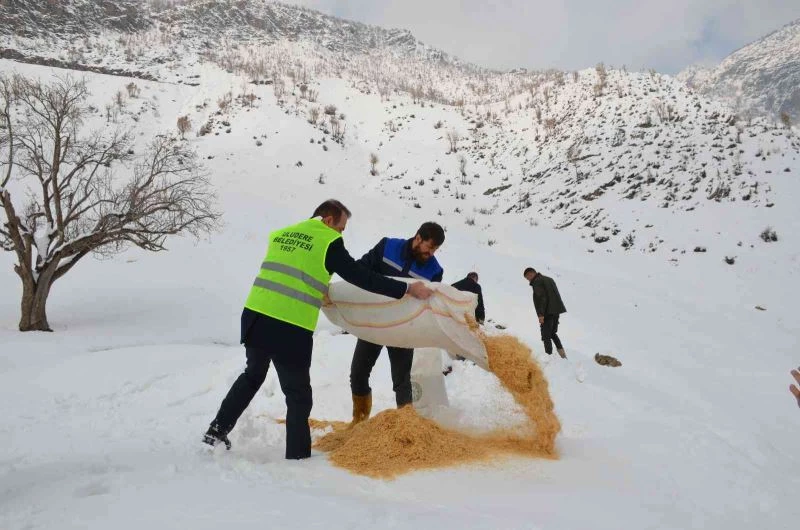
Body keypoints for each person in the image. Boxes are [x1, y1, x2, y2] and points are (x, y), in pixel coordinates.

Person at [202, 200, 434, 459]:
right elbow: (360, 276)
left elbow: (294, 270)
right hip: (290, 325)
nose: (341, 233)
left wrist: (320, 287)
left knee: (252, 377)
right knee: (298, 394)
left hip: (256, 316)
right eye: (341, 227)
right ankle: (298, 458)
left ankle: (215, 431)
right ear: (327, 220)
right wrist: (405, 288)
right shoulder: (328, 241)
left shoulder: (282, 234)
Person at [349, 222, 445, 423]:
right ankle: (359, 420)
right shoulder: (387, 247)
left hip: (403, 329)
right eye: (429, 248)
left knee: (402, 382)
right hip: (374, 324)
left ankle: (405, 426)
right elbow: (359, 271)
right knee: (358, 374)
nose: (431, 254)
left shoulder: (435, 270)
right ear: (418, 238)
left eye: (435, 250)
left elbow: (429, 304)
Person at [523, 267, 567, 359]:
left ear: (531, 274)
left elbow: (542, 299)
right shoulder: (549, 279)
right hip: (556, 310)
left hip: (547, 312)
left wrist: (540, 315)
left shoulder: (537, 282)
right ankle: (563, 356)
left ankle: (549, 358)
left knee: (546, 335)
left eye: (528, 278)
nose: (528, 280)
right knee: (552, 333)